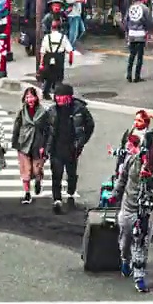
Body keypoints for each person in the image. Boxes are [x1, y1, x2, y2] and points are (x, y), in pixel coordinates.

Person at [109, 130, 153, 293]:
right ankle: (125, 259)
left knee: (141, 242)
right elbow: (123, 178)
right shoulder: (132, 159)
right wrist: (115, 194)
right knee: (126, 238)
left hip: (145, 209)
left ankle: (139, 276)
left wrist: (150, 179)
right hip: (128, 204)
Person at [39, 83, 94, 214]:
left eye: (61, 96)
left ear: (69, 97)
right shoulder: (52, 111)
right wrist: (43, 145)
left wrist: (81, 141)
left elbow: (90, 125)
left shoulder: (79, 109)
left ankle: (70, 191)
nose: (59, 99)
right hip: (56, 148)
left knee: (71, 173)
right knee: (56, 174)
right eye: (57, 96)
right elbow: (43, 128)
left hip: (72, 148)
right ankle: (57, 199)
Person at [11, 86, 48, 203]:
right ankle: (27, 193)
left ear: (36, 98)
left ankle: (38, 180)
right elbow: (17, 127)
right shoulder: (22, 112)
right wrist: (15, 142)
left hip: (38, 143)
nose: (30, 100)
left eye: (31, 97)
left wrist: (45, 146)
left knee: (37, 170)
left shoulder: (43, 112)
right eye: (27, 97)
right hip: (24, 143)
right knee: (25, 171)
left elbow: (47, 130)